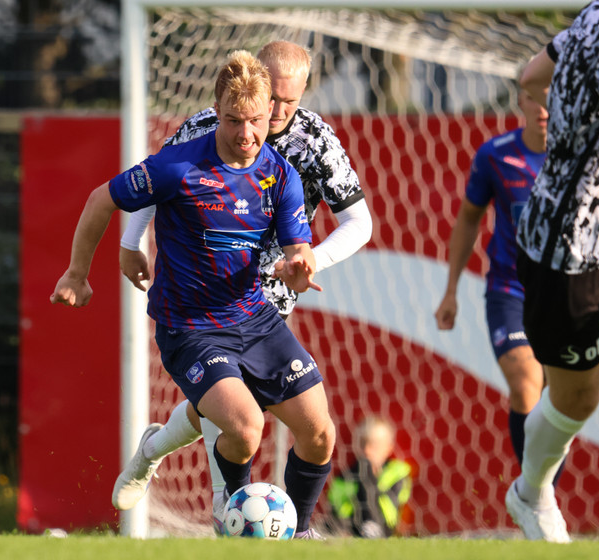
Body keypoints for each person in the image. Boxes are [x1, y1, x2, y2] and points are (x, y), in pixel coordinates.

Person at [50, 50, 335, 540]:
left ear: (271, 111)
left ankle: (302, 537)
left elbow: (297, 247)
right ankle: (234, 529)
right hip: (190, 328)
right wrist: (78, 273)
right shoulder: (178, 166)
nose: (246, 134)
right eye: (234, 121)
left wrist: (299, 266)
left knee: (320, 434)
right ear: (216, 111)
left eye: (256, 121)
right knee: (245, 428)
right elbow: (101, 199)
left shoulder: (280, 174)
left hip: (255, 319)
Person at [112, 40, 372, 532]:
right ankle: (227, 517)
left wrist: (310, 259)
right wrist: (131, 242)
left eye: (288, 101)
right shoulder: (209, 126)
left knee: (242, 413)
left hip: (268, 300)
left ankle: (158, 451)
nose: (275, 111)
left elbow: (359, 223)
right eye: (270, 98)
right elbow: (151, 183)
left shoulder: (316, 141)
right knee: (239, 421)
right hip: (201, 300)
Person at [506, 1, 599, 543]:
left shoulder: (596, 14)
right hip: (573, 247)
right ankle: (531, 492)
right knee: (577, 395)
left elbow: (532, 75)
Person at [434, 87, 562, 481]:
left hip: (565, 295)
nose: (544, 108)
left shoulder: (580, 157)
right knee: (526, 383)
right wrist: (451, 290)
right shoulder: (496, 155)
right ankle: (535, 491)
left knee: (560, 400)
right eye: (536, 97)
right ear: (521, 99)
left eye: (554, 96)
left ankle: (542, 493)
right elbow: (468, 219)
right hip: (510, 292)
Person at [327, 416, 411, 539]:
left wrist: (369, 478)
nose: (367, 450)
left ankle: (371, 525)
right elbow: (336, 509)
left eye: (375, 445)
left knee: (365, 471)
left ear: (389, 448)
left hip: (382, 525)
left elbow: (392, 509)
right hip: (349, 527)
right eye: (362, 443)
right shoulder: (343, 478)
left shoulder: (397, 473)